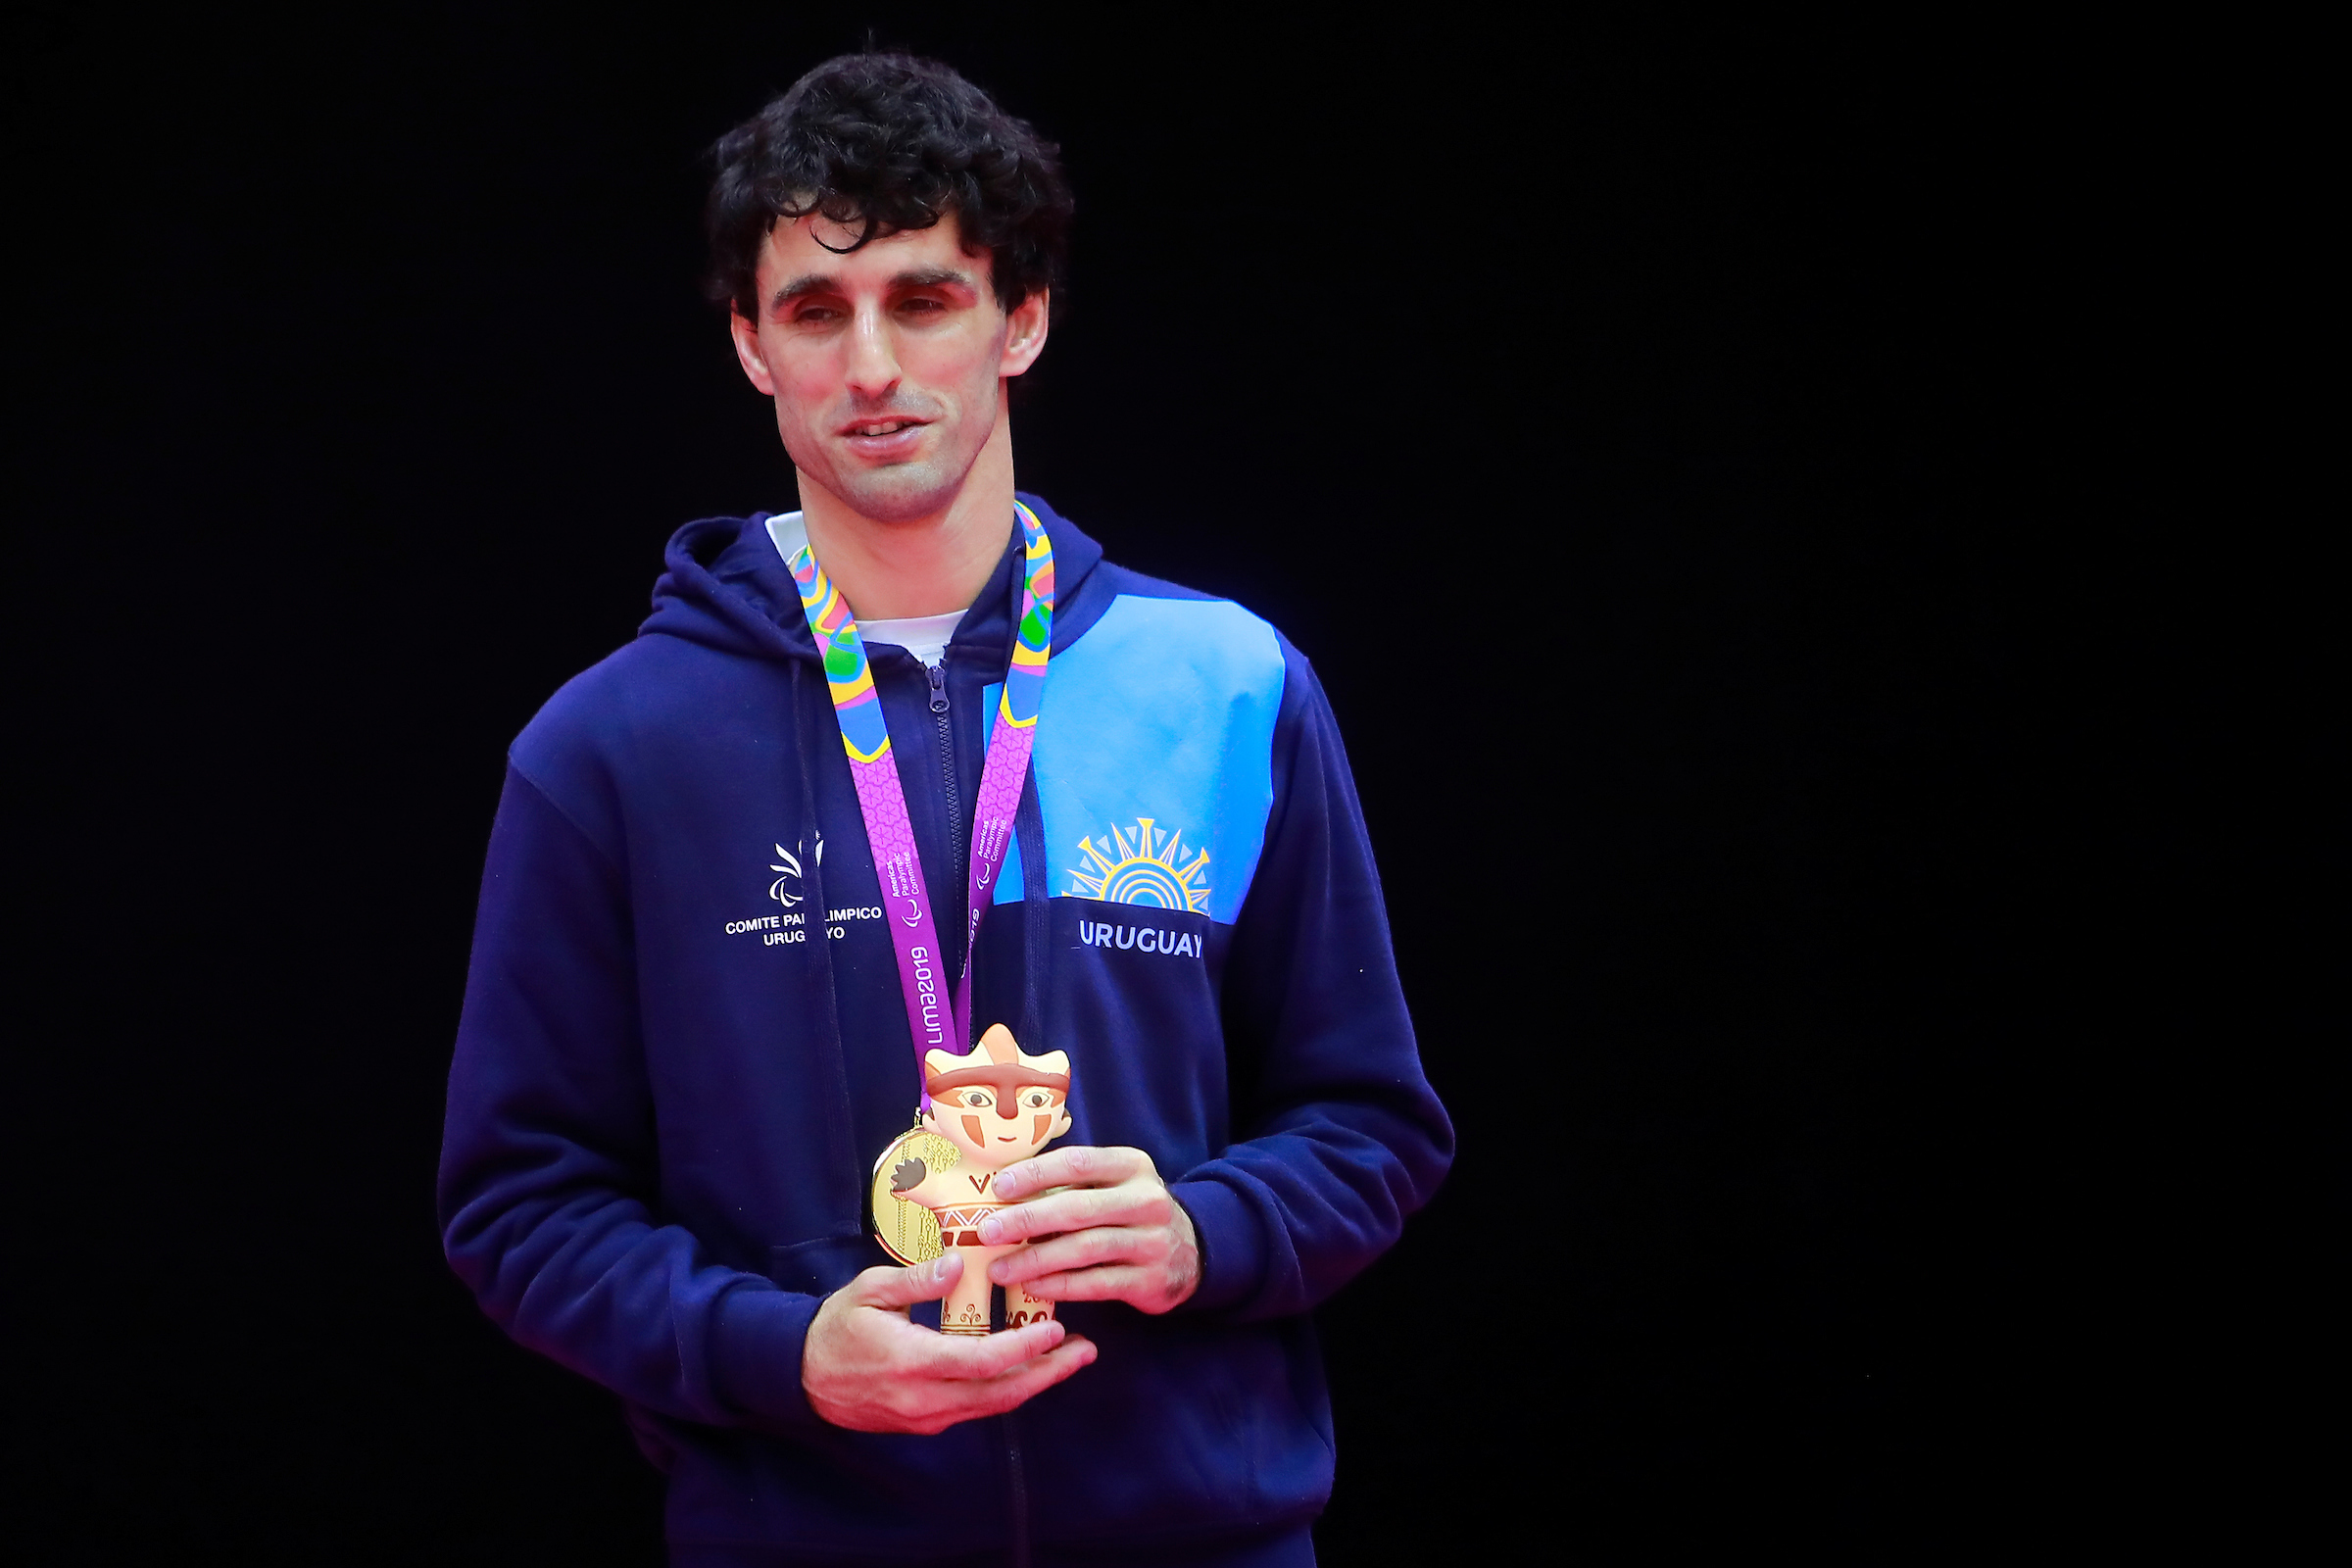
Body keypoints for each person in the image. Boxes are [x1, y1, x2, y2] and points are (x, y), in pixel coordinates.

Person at [438, 52, 1451, 1568]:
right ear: (748, 345)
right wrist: (775, 1355)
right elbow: (520, 1205)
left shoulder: (1227, 683)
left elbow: (1371, 1122)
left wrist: (1201, 1234)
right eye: (814, 311)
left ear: (1020, 321)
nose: (871, 367)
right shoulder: (609, 750)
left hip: (1202, 1535)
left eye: (923, 300)